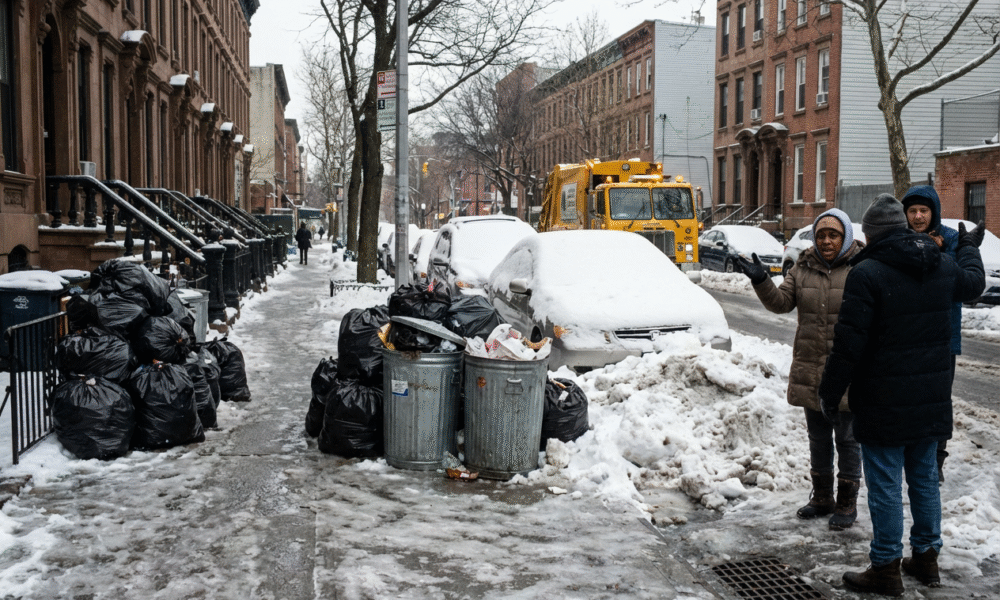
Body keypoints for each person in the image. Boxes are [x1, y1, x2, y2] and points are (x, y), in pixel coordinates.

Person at [818, 194, 984, 596]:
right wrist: (967, 249)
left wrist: (830, 391)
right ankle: (926, 558)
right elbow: (973, 284)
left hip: (883, 400)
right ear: (905, 228)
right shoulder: (941, 263)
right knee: (924, 480)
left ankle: (886, 566)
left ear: (871, 234)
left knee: (888, 483)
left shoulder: (868, 272)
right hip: (930, 397)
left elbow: (848, 343)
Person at [735, 209, 863, 530]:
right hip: (810, 366)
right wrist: (762, 279)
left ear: (845, 236)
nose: (827, 241)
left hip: (847, 370)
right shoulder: (803, 267)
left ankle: (847, 503)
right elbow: (780, 303)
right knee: (818, 438)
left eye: (833, 235)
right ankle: (822, 497)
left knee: (847, 439)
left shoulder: (861, 268)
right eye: (821, 235)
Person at [900, 185, 973, 483]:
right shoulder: (900, 239)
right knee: (906, 397)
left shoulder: (951, 239)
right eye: (913, 211)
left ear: (934, 213)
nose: (918, 217)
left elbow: (961, 283)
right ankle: (910, 454)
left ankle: (936, 460)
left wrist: (940, 252)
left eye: (924, 211)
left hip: (944, 334)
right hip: (905, 335)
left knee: (938, 399)